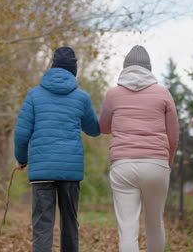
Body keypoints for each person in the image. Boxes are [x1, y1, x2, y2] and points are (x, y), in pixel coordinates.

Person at [14, 46, 100, 252]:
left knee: (42, 224)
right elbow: (94, 130)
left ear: (52, 66)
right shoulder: (82, 98)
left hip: (42, 171)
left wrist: (22, 158)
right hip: (70, 171)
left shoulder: (34, 95)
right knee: (70, 222)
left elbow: (21, 134)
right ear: (74, 70)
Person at [99, 45, 179, 252]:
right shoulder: (163, 93)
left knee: (127, 228)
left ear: (125, 68)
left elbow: (104, 127)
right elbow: (173, 136)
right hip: (156, 164)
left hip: (123, 164)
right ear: (149, 69)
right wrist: (167, 162)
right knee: (155, 223)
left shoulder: (113, 94)